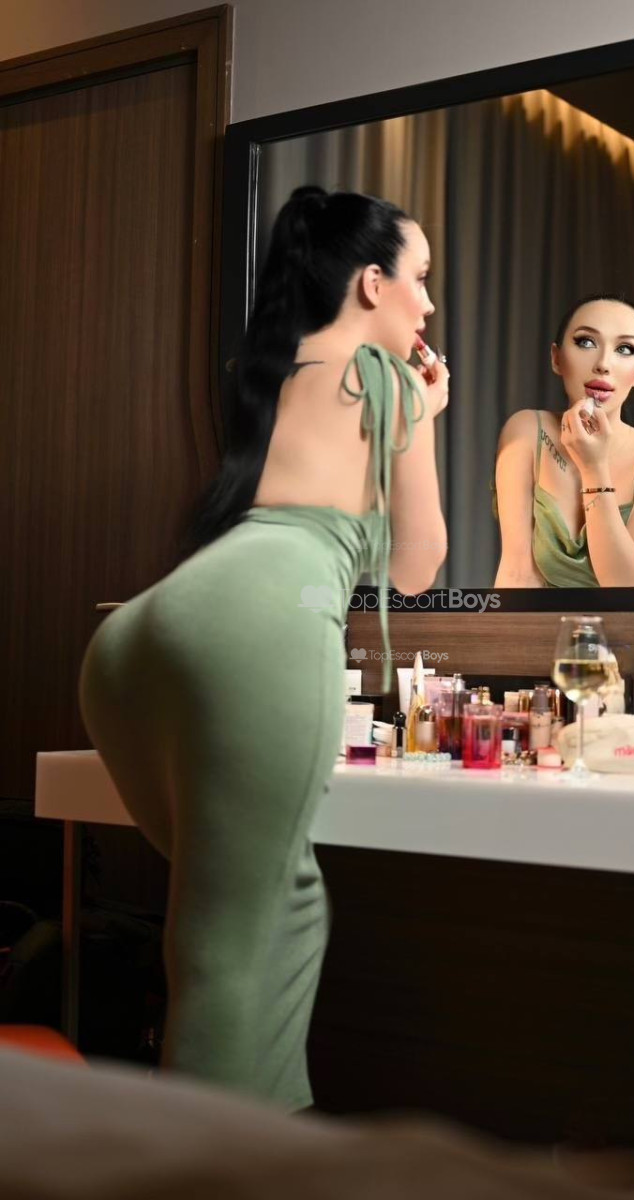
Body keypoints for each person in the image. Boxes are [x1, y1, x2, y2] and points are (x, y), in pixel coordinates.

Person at [79, 185, 449, 1108]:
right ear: (372, 284)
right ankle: (224, 1166)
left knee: (216, 932)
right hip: (260, 622)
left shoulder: (266, 370)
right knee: (261, 931)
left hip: (139, 634)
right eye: (420, 279)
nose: (430, 304)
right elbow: (417, 565)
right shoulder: (388, 379)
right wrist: (422, 421)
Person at [493, 294, 634, 587]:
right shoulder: (528, 431)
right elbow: (517, 574)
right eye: (586, 342)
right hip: (573, 620)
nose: (603, 364)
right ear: (556, 358)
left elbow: (627, 589)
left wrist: (593, 468)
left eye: (625, 349)